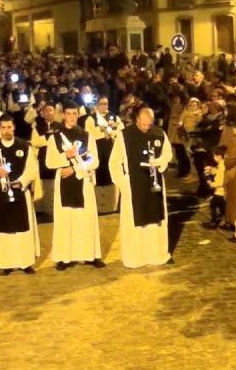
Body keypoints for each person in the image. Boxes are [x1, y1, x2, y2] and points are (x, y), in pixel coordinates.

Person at [109, 107, 174, 269]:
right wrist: (122, 182)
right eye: (143, 124)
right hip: (133, 183)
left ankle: (157, 254)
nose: (146, 128)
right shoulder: (125, 135)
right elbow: (114, 161)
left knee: (156, 219)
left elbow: (167, 154)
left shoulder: (159, 133)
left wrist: (159, 163)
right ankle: (135, 257)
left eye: (149, 125)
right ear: (137, 119)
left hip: (154, 183)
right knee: (135, 220)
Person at [46, 101, 103, 271]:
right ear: (63, 115)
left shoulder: (87, 135)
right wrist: (65, 156)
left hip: (83, 181)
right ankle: (64, 257)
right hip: (63, 182)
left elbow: (94, 160)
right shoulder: (55, 138)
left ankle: (90, 255)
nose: (71, 117)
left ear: (78, 115)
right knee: (65, 219)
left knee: (86, 218)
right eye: (68, 113)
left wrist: (74, 168)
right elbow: (49, 162)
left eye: (74, 113)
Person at [0, 114, 39, 275]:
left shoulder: (24, 146)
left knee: (22, 227)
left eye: (9, 127)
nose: (6, 131)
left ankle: (25, 262)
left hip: (20, 191)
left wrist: (20, 182)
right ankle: (5, 263)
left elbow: (32, 169)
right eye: (3, 127)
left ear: (14, 127)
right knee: (3, 228)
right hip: (0, 191)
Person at [85, 95, 124, 215]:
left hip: (111, 149)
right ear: (97, 105)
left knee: (111, 173)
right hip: (98, 150)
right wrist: (103, 133)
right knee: (100, 173)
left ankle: (112, 205)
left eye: (106, 104)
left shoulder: (113, 116)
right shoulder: (91, 118)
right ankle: (98, 206)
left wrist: (110, 132)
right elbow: (89, 132)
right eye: (101, 104)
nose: (104, 106)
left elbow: (121, 129)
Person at [204, 145, 229, 230]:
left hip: (220, 191)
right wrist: (212, 169)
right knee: (222, 207)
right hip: (221, 192)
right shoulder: (222, 165)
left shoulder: (222, 167)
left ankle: (214, 222)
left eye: (214, 155)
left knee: (213, 205)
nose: (213, 157)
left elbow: (221, 181)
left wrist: (212, 184)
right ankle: (224, 221)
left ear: (219, 156)